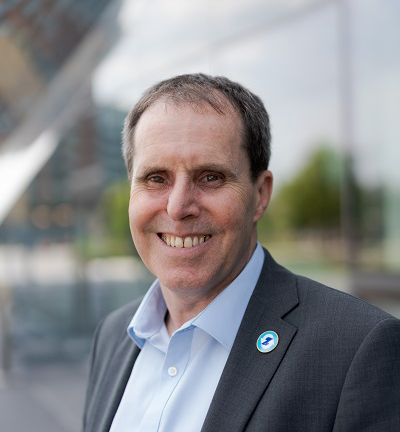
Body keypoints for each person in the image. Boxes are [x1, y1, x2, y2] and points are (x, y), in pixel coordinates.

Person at [83, 74, 400, 432]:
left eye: (211, 177)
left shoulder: (356, 349)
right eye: (156, 178)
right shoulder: (112, 336)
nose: (178, 207)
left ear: (260, 195)